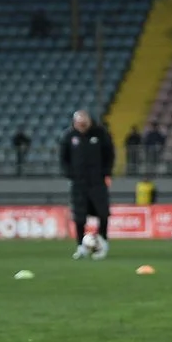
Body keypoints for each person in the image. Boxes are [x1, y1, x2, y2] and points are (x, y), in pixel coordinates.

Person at [60, 110, 114, 260]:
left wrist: (106, 172)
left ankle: (102, 243)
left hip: (97, 182)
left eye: (84, 124)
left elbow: (109, 154)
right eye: (79, 124)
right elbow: (63, 158)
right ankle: (81, 247)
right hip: (78, 183)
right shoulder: (69, 136)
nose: (82, 126)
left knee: (103, 213)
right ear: (74, 123)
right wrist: (70, 174)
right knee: (79, 216)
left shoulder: (101, 134)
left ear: (90, 121)